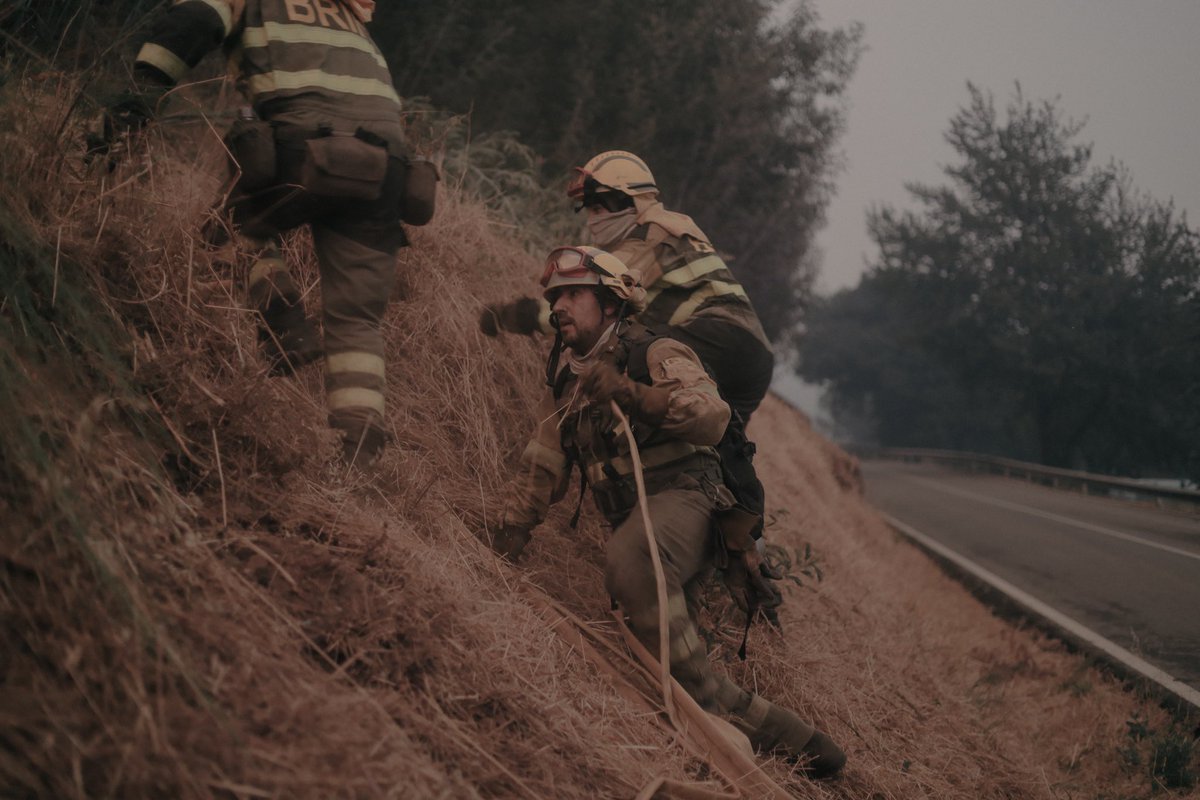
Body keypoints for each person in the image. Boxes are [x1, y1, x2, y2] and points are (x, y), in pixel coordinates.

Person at [490, 245, 846, 778]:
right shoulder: (567, 377)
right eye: (554, 296)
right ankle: (805, 745)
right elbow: (543, 460)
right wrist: (509, 534)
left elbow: (710, 416)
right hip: (645, 522)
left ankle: (715, 715)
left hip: (690, 502)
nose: (559, 305)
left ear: (611, 304)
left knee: (633, 563)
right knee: (665, 664)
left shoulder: (653, 351)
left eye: (573, 293)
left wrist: (631, 394)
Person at [97, 0, 433, 466]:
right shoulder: (349, 12)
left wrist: (136, 98)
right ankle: (358, 449)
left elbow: (194, 21)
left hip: (305, 149)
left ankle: (283, 322)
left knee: (228, 230)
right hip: (389, 172)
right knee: (357, 320)